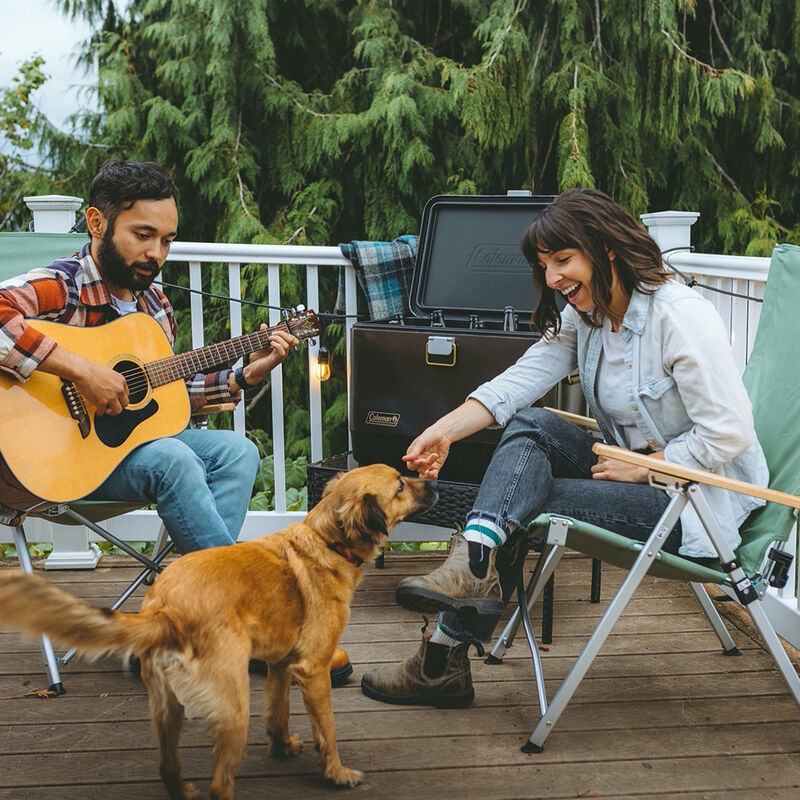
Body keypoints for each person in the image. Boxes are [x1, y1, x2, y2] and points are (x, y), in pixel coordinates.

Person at [360, 188, 769, 708]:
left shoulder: (679, 317)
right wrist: (444, 430)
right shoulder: (590, 315)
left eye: (563, 260)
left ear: (607, 248)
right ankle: (474, 561)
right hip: (629, 472)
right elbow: (520, 382)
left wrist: (649, 467)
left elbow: (728, 432)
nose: (552, 279)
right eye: (544, 264)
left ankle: (440, 656)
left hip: (698, 501)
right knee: (534, 423)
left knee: (527, 500)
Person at [0, 159, 298, 551]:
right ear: (97, 223)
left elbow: (161, 394)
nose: (156, 253)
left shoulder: (154, 305)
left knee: (238, 453)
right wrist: (83, 371)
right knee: (174, 457)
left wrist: (243, 377)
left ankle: (189, 587)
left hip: (129, 449)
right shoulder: (63, 284)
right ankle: (224, 592)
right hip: (55, 461)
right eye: (143, 235)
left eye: (166, 240)